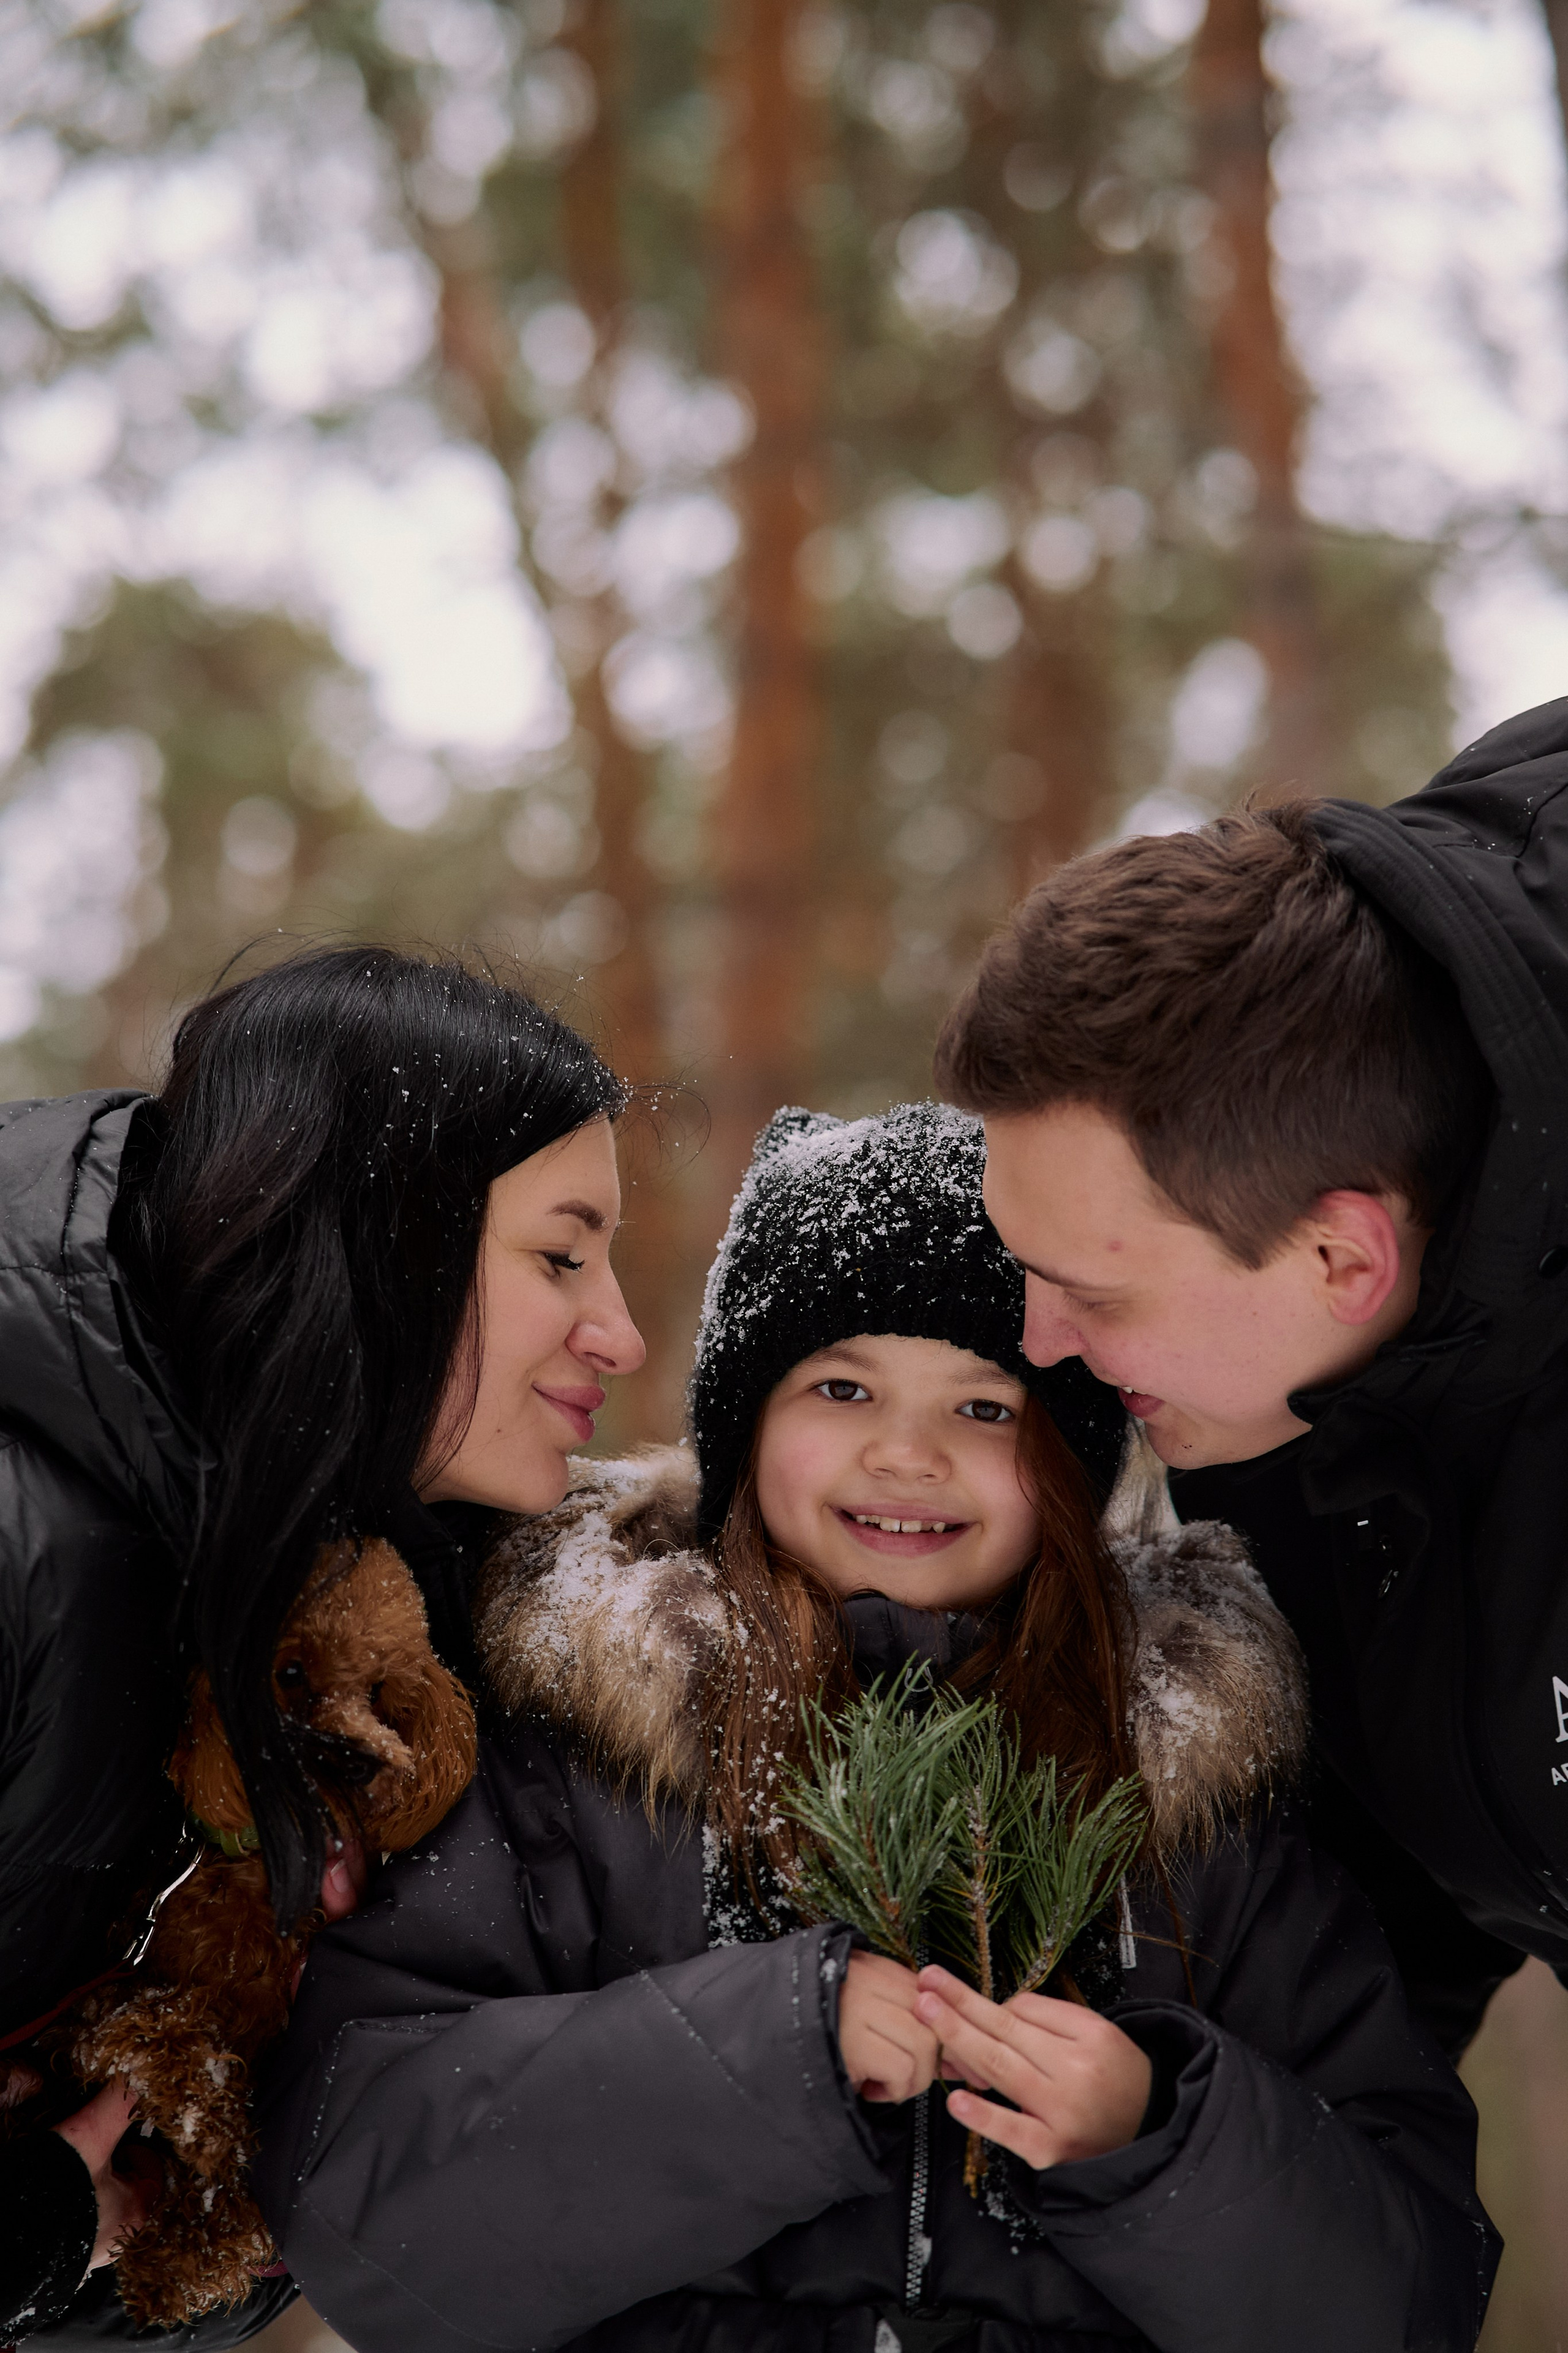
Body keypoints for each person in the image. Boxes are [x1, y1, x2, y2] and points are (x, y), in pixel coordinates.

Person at [254, 1102, 1493, 2353]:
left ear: (1071, 1466)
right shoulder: (570, 1764)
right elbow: (360, 2205)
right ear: (744, 1423)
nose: (905, 1454)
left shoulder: (1192, 1802)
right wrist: (768, 2057)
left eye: (985, 1408)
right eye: (842, 1387)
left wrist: (1159, 2133)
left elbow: (1406, 2304)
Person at [0, 946, 643, 2346]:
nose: (622, 1333)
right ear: (371, 1238)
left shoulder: (367, 1595)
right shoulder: (21, 1531)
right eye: (559, 1255)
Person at [933, 695, 1568, 2056]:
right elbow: (1369, 1951)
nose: (1038, 1342)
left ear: (1340, 1257)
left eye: (1096, 1292)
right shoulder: (1270, 1406)